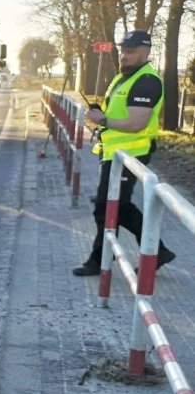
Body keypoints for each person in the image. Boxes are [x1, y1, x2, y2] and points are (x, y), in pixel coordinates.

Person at [73, 30, 176, 276]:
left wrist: (104, 119)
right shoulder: (125, 77)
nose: (124, 55)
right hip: (115, 154)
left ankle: (99, 261)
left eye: (130, 52)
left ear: (145, 52)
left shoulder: (147, 81)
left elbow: (136, 122)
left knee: (106, 207)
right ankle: (156, 251)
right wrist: (101, 113)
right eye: (123, 50)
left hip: (131, 155)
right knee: (116, 206)